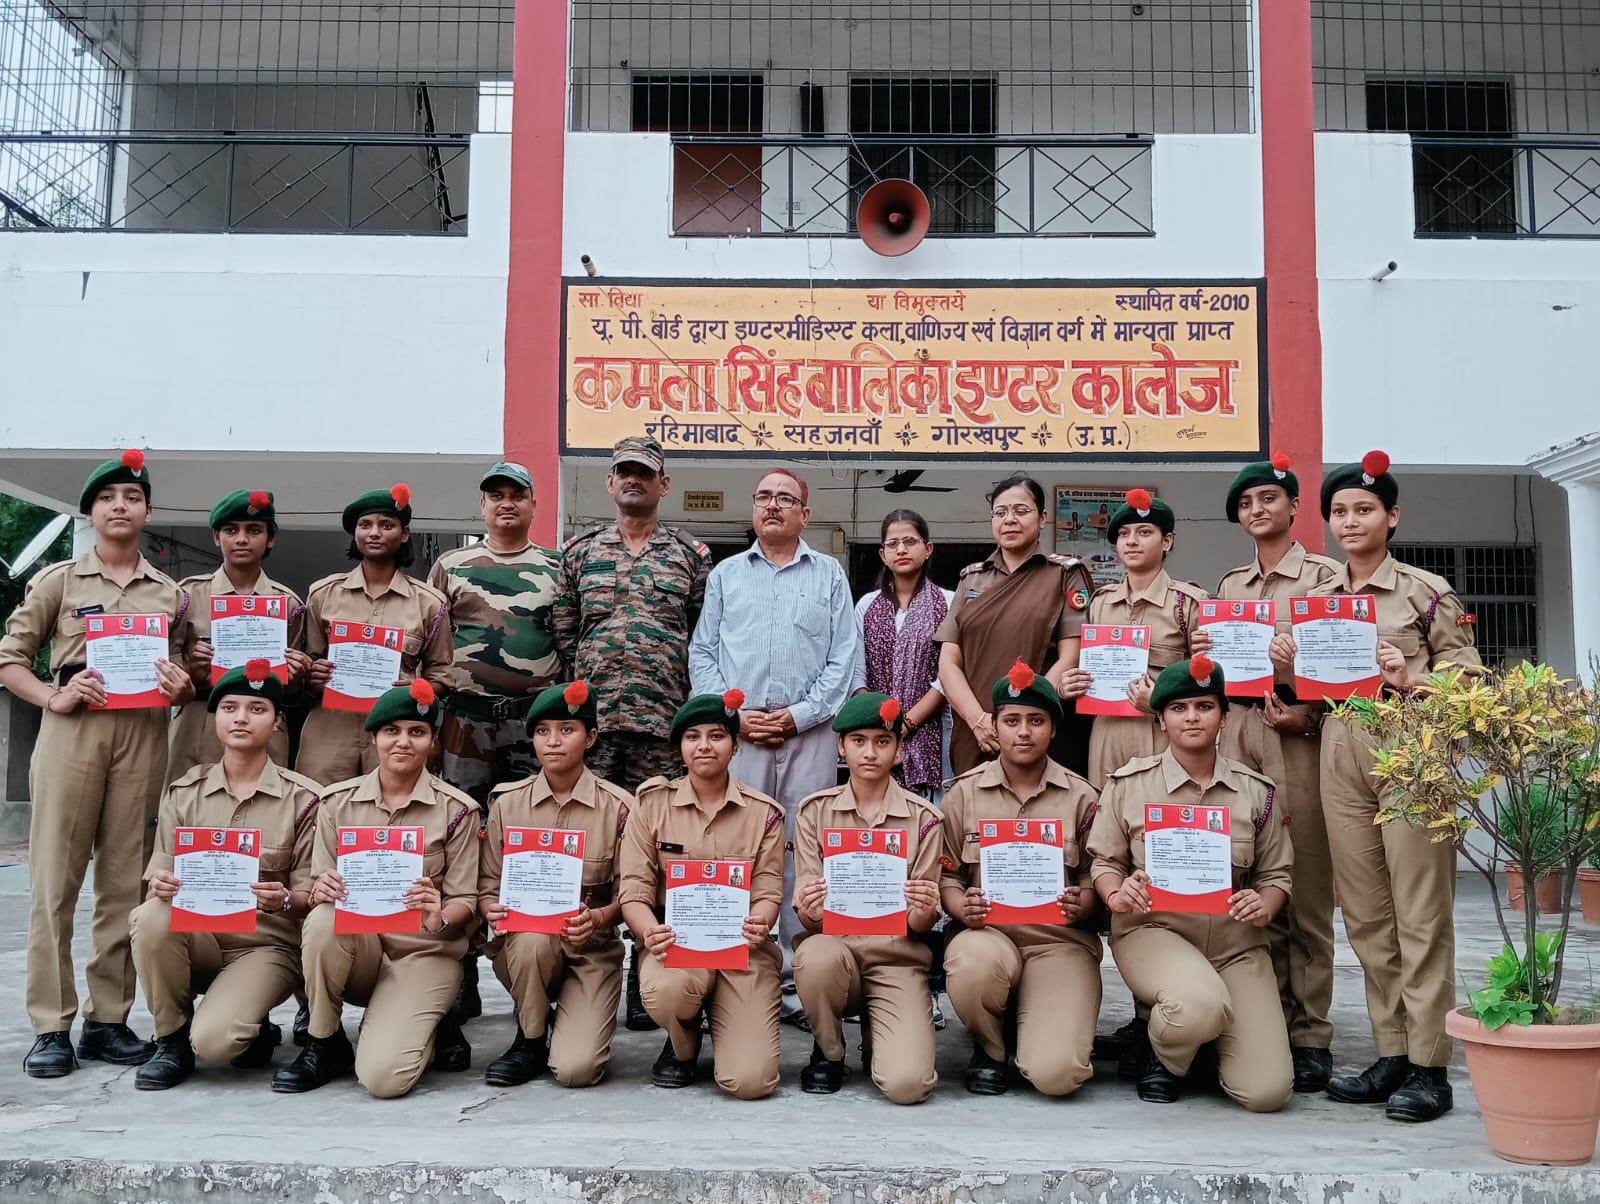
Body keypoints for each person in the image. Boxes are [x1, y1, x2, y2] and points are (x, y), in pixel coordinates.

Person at [1270, 450, 1481, 1123]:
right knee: (1365, 915)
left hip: (1410, 752)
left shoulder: (1425, 592)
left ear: (1392, 516)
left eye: (1364, 509)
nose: (1350, 520)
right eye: (1339, 511)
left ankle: (1429, 1063)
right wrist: (1289, 665)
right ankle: (1392, 1049)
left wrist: (1409, 675)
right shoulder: (1321, 601)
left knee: (1419, 913)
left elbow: (1469, 683)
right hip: (1340, 751)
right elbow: (1318, 690)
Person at [0, 450, 195, 1078]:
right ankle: (50, 1026)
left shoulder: (169, 593)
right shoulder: (60, 580)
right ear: (90, 511)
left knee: (124, 884)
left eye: (132, 498)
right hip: (73, 730)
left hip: (142, 733)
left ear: (148, 512)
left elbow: (188, 668)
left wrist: (182, 687)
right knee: (54, 884)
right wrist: (53, 695)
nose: (120, 506)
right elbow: (10, 659)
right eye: (108, 497)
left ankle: (107, 1020)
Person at [553, 435, 711, 1032]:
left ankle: (651, 972)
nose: (633, 481)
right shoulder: (579, 551)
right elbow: (567, 633)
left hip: (662, 728)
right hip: (594, 731)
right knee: (594, 850)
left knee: (662, 854)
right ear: (609, 482)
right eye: (623, 472)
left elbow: (700, 636)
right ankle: (584, 966)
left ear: (663, 484)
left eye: (645, 473)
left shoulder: (691, 555)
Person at [1088, 655, 1294, 1112]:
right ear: (1160, 719)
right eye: (1179, 709)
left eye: (1204, 706)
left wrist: (1266, 904)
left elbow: (1277, 873)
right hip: (1155, 932)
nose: (1192, 717)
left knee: (1267, 1092)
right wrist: (1116, 894)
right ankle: (1163, 1050)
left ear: (1223, 716)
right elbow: (1104, 861)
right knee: (1196, 1005)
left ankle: (1195, 1040)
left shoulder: (1255, 791)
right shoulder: (1129, 784)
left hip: (1235, 943)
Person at [688, 467, 856, 1024]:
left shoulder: (829, 574)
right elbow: (703, 654)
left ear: (805, 514)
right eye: (763, 497)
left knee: (802, 858)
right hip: (743, 738)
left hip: (809, 737)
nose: (773, 506)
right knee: (740, 852)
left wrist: (799, 715)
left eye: (786, 499)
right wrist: (734, 716)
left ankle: (797, 985)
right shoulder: (726, 576)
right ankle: (737, 976)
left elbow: (843, 660)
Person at [1205, 453, 1341, 1093]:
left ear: (1292, 506)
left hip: (1300, 740)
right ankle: (1255, 1018)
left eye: (1267, 499)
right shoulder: (1230, 587)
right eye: (1246, 504)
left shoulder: (1326, 579)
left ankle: (1309, 1033)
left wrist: (1302, 700)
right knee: (1246, 872)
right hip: (1238, 739)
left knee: (1304, 884)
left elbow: (1347, 671)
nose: (1256, 511)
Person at [271, 680, 480, 1098]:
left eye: (417, 733)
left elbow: (466, 902)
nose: (403, 742)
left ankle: (431, 1018)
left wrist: (439, 912)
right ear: (374, 738)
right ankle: (323, 1040)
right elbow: (317, 886)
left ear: (432, 742)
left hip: (422, 952)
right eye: (392, 732)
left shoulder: (457, 810)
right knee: (324, 920)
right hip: (360, 951)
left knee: (384, 1079)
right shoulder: (336, 803)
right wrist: (321, 890)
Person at [130, 659, 322, 1089]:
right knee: (151, 917)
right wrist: (161, 884)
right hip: (198, 939)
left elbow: (312, 896)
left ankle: (243, 1025)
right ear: (215, 718)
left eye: (257, 709)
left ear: (276, 722)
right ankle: (171, 1038)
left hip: (264, 946)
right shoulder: (183, 794)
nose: (241, 718)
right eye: (230, 707)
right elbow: (157, 880)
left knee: (216, 1044)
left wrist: (284, 899)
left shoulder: (306, 800)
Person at [429, 460, 563, 1021]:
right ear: (482, 507)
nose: (506, 504)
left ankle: (533, 970)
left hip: (532, 726)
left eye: (517, 495)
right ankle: (459, 971)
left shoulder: (557, 567)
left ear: (534, 505)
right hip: (464, 723)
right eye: (495, 496)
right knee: (459, 840)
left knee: (531, 841)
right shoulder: (450, 565)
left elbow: (569, 638)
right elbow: (430, 642)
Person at [939, 663, 1103, 1097]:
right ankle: (990, 1047)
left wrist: (1084, 902)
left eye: (1036, 721)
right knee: (971, 964)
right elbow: (947, 874)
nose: (1023, 732)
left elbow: (1100, 875)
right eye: (1011, 721)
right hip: (987, 936)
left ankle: (1031, 1022)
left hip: (1058, 943)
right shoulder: (963, 793)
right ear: (994, 727)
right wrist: (960, 907)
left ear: (1053, 730)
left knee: (1057, 1075)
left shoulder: (1083, 797)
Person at [618, 691, 785, 1098]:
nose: (704, 746)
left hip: (741, 949)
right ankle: (682, 1040)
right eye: (692, 737)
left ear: (735, 743)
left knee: (749, 1081)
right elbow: (634, 892)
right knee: (669, 992)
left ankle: (725, 1017)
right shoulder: (651, 805)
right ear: (680, 746)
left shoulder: (764, 813)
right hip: (674, 947)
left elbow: (767, 891)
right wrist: (648, 932)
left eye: (717, 736)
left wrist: (761, 920)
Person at [477, 680, 632, 1088]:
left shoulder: (620, 808)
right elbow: (487, 883)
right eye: (543, 731)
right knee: (530, 940)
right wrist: (488, 906)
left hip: (590, 951)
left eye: (567, 730)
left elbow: (632, 893)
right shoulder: (507, 804)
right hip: (527, 950)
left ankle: (564, 1019)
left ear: (591, 736)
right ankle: (529, 1038)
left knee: (576, 1070)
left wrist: (598, 918)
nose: (553, 741)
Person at [791, 692, 943, 1104]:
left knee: (908, 1085)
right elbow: (811, 919)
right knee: (814, 957)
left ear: (898, 749)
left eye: (882, 741)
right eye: (858, 741)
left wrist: (926, 910)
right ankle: (830, 1048)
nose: (870, 753)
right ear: (841, 747)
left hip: (896, 959)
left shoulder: (925, 818)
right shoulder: (814, 812)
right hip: (836, 949)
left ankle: (881, 1035)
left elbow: (919, 923)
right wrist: (810, 905)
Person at [935, 474, 1095, 777]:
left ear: (1043, 517)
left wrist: (1028, 717)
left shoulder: (1063, 574)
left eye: (1021, 511)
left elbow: (1071, 655)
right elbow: (948, 662)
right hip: (977, 734)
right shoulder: (971, 579)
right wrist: (979, 720)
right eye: (1000, 512)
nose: (1009, 520)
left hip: (1039, 729)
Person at [296, 484, 452, 786]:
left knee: (387, 816)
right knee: (320, 808)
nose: (375, 533)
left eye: (386, 525)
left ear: (404, 533)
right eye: (365, 525)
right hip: (330, 728)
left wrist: (417, 688)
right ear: (355, 533)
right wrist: (313, 675)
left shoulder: (430, 603)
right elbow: (307, 663)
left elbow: (442, 676)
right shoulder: (323, 594)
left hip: (397, 732)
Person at [1073, 489, 1210, 789]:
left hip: (1162, 731)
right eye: (1124, 534)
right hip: (1107, 730)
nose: (1131, 541)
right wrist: (1068, 684)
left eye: (1144, 532)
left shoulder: (1188, 603)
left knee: (1164, 817)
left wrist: (1161, 703)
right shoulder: (1100, 603)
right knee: (1108, 816)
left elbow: (1208, 690)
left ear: (1167, 541)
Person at [170, 489, 310, 782]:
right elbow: (167, 670)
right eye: (231, 530)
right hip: (201, 721)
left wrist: (296, 676)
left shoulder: (289, 605)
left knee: (263, 811)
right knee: (192, 810)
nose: (242, 539)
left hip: (265, 725)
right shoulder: (186, 595)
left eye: (254, 530)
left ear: (270, 538)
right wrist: (192, 671)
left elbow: (295, 696)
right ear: (215, 536)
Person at [852, 509, 952, 801]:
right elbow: (858, 675)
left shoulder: (948, 602)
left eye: (910, 541)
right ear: (883, 554)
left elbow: (947, 677)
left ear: (928, 548)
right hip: (876, 732)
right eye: (893, 544)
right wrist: (879, 728)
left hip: (931, 730)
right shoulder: (867, 607)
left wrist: (905, 725)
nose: (902, 550)